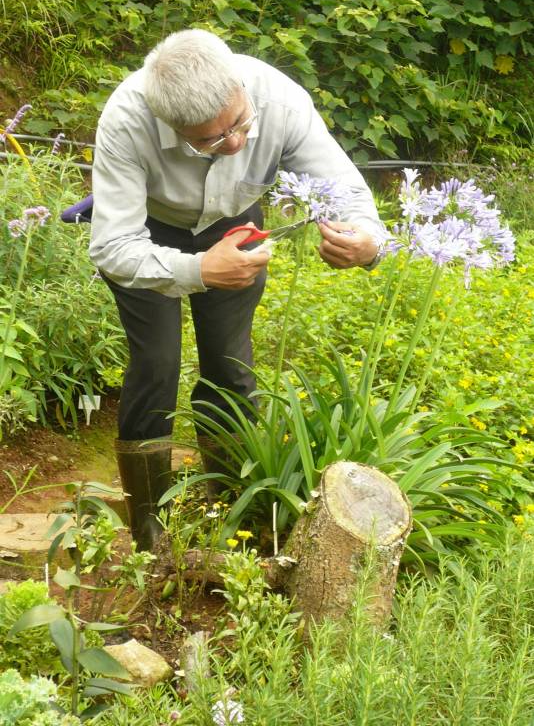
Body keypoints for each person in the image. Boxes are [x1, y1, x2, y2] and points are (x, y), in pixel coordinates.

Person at [89, 28, 387, 550]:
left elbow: (347, 191)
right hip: (148, 238)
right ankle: (148, 531)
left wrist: (367, 241)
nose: (233, 144)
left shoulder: (281, 100)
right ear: (169, 121)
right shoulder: (126, 118)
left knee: (230, 365)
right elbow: (113, 246)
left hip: (235, 225)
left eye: (241, 124)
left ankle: (231, 511)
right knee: (156, 364)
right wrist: (201, 269)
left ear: (241, 89)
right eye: (207, 139)